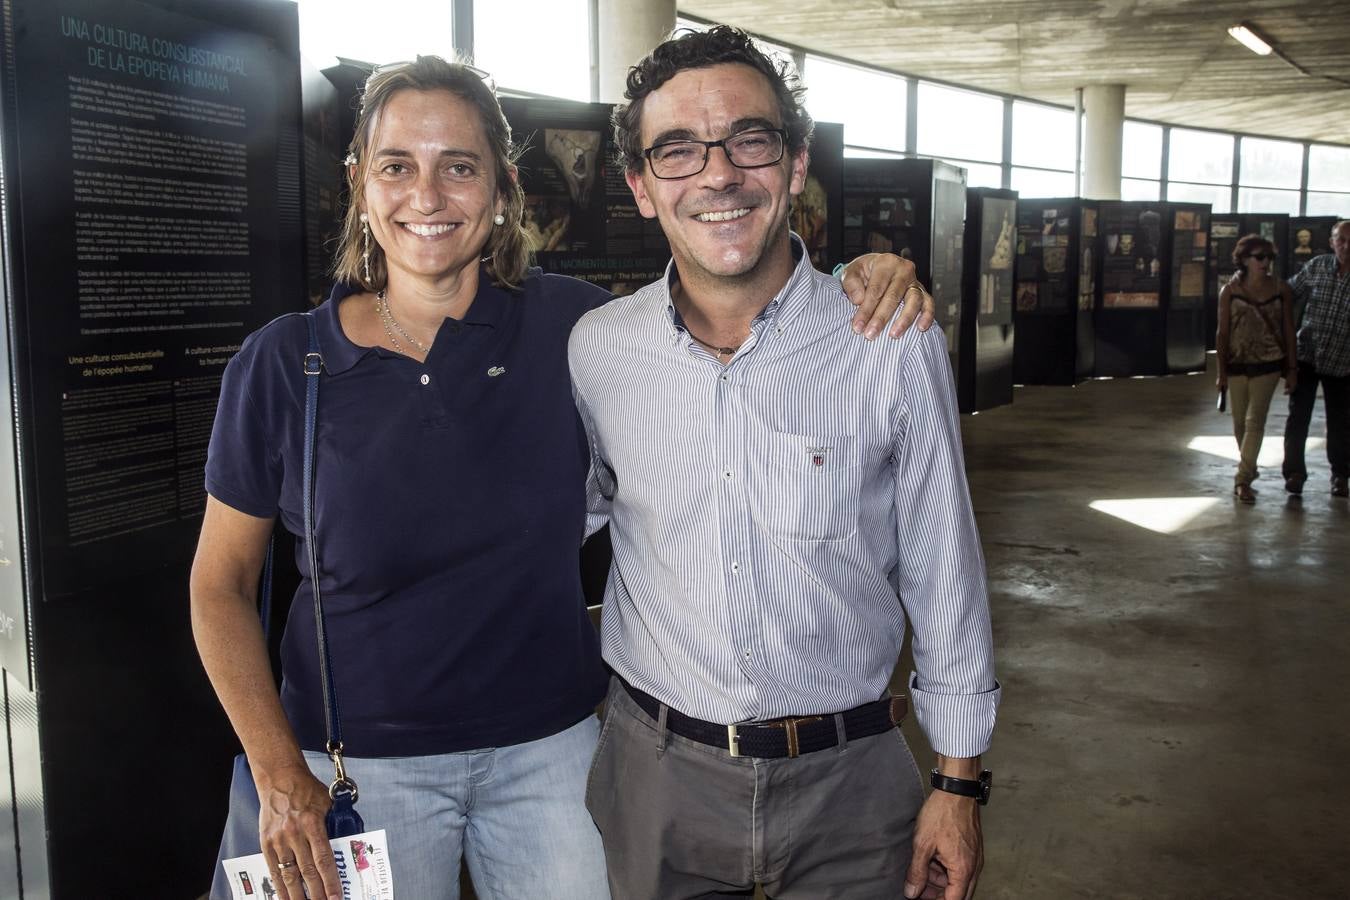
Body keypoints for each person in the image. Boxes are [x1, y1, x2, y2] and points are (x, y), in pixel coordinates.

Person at [190, 56, 934, 900]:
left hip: (552, 753)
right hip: (351, 766)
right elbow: (221, 584)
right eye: (397, 166)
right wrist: (277, 767)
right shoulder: (286, 363)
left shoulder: (578, 330)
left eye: (459, 167)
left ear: (503, 188)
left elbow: (728, 306)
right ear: (361, 183)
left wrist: (855, 282)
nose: (427, 196)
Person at [570, 27, 999, 900]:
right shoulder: (598, 351)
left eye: (749, 140)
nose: (719, 175)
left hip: (854, 785)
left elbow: (945, 572)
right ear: (642, 188)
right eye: (678, 151)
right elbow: (560, 515)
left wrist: (957, 784)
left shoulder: (890, 342)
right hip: (656, 780)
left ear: (796, 165)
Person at [1215, 234, 1296, 503]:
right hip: (1237, 363)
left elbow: (1288, 330)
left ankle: (1242, 479)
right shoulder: (1230, 291)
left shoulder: (1280, 289)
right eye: (1259, 257)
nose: (1265, 263)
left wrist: (1292, 368)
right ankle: (1249, 467)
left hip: (1268, 364)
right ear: (1245, 259)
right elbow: (1222, 333)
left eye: (1269, 257)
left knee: (1254, 421)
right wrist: (1221, 372)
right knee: (1240, 424)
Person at [1282, 220, 1350, 498]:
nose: (1347, 246)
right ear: (1332, 242)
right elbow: (1287, 292)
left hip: (1343, 361)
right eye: (1341, 240)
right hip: (1307, 355)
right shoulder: (1318, 266)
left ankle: (1341, 475)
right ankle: (1295, 473)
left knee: (1341, 423)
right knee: (1298, 418)